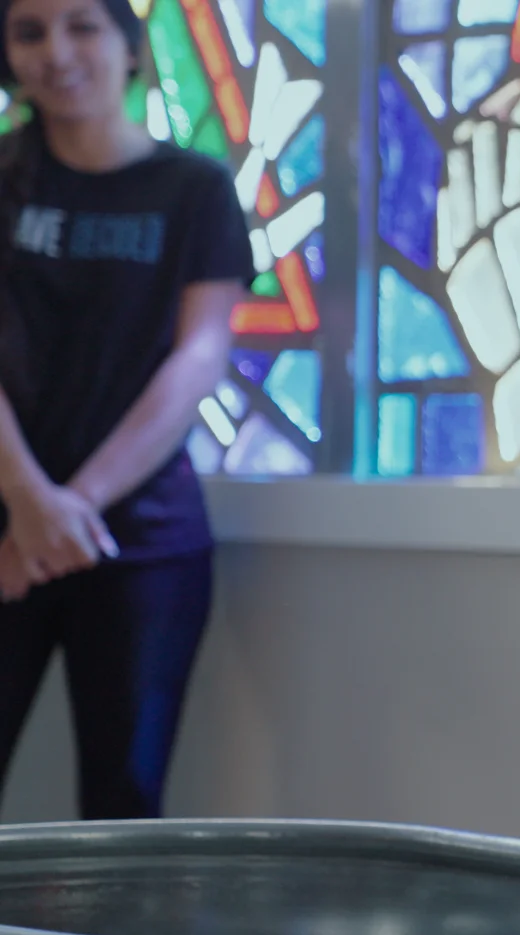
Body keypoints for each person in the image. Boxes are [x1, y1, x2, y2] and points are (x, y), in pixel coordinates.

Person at [0, 0, 249, 817]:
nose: (56, 51)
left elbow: (199, 357)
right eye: (29, 31)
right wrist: (28, 504)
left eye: (82, 26)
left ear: (132, 47)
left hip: (143, 540)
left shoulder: (195, 188)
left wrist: (71, 509)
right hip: (7, 528)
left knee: (124, 804)